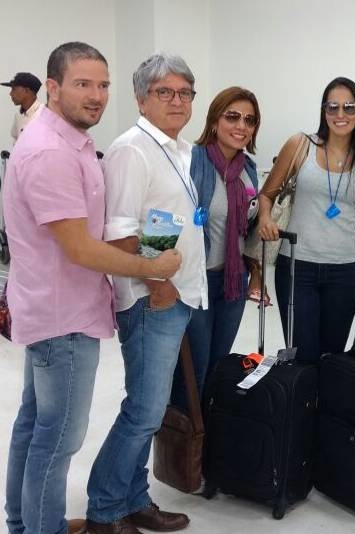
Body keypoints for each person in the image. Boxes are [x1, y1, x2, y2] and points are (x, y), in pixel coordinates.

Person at [3, 42, 180, 534]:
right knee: (57, 438)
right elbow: (79, 248)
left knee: (35, 426)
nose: (97, 95)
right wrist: (152, 265)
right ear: (53, 87)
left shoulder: (67, 141)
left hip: (52, 308)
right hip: (63, 318)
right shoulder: (49, 151)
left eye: (103, 84)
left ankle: (26, 523)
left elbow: (86, 230)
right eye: (83, 84)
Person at [86, 53, 207, 534]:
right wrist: (158, 284)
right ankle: (105, 509)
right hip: (149, 299)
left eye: (184, 93)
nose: (177, 101)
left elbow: (158, 222)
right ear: (141, 98)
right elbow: (118, 234)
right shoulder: (131, 150)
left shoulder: (177, 149)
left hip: (175, 295)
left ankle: (134, 498)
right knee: (143, 412)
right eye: (165, 92)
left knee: (148, 411)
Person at [257, 77, 355, 363]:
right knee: (302, 355)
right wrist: (265, 218)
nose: (340, 115)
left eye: (349, 108)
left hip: (345, 271)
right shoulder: (300, 145)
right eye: (333, 107)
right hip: (297, 269)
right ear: (324, 111)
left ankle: (325, 408)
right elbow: (266, 195)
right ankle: (299, 407)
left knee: (332, 357)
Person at [169, 86, 261, 407]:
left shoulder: (249, 171)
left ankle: (207, 439)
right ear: (214, 120)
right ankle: (182, 444)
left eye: (249, 120)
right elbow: (165, 215)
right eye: (232, 116)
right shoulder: (189, 161)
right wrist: (154, 274)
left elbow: (250, 230)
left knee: (218, 366)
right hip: (195, 282)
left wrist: (257, 274)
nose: (241, 126)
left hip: (232, 283)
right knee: (192, 370)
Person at [2, 72, 44, 144]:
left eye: (14, 89)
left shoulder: (44, 114)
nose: (10, 93)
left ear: (26, 91)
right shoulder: (18, 116)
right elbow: (15, 141)